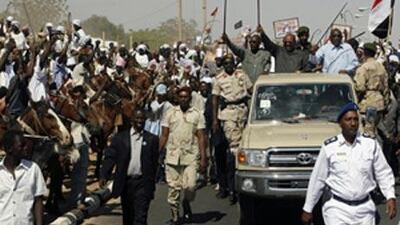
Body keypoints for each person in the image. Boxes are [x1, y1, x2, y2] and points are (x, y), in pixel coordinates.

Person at [301, 102, 396, 225]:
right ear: (340, 123)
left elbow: (383, 172)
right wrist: (308, 208)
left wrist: (390, 196)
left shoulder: (370, 145)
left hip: (365, 209)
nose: (353, 123)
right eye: (348, 119)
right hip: (337, 209)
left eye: (355, 119)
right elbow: (318, 179)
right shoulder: (330, 147)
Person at [100, 108, 159, 225]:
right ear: (132, 120)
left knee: (140, 218)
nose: (140, 121)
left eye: (142, 118)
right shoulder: (120, 138)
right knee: (128, 217)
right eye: (137, 118)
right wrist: (104, 175)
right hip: (126, 183)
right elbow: (110, 157)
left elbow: (154, 162)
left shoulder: (152, 139)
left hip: (142, 183)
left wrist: (152, 181)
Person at [159, 86, 207, 225]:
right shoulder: (170, 113)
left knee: (190, 186)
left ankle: (186, 202)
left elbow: (201, 137)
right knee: (173, 189)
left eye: (186, 97)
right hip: (173, 155)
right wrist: (158, 152)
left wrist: (204, 158)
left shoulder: (197, 114)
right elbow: (164, 134)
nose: (184, 99)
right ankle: (175, 216)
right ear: (177, 98)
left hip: (190, 155)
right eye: (181, 97)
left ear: (190, 99)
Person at [212, 53, 253, 204]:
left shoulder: (242, 75)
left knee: (245, 147)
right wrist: (215, 120)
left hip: (243, 110)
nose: (229, 65)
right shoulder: (219, 79)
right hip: (228, 113)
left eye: (231, 63)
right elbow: (215, 98)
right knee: (234, 148)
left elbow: (251, 90)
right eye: (226, 63)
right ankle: (232, 188)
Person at [0, 130, 47, 225]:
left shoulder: (33, 169)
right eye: (22, 145)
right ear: (10, 149)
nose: (26, 148)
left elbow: (38, 201)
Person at [354, 43, 390, 138]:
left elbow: (360, 87)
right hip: (379, 102)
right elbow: (386, 87)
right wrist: (385, 103)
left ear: (364, 53)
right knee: (376, 130)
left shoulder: (363, 68)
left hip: (367, 103)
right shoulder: (381, 67)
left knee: (368, 133)